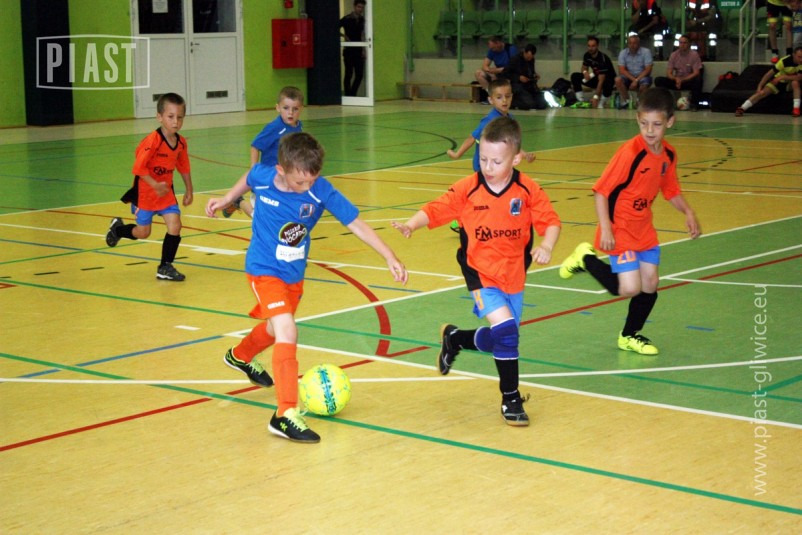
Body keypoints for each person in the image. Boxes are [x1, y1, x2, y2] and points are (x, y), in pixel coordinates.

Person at [206, 132, 408, 443]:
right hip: (263, 268)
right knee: (287, 330)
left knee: (274, 329)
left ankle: (240, 355)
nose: (307, 186)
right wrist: (226, 199)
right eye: (300, 181)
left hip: (293, 275)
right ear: (281, 170)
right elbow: (249, 176)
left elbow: (355, 223)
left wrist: (389, 255)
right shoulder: (265, 177)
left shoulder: (319, 190)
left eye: (312, 179)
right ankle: (284, 414)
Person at [392, 117, 561, 426]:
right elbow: (436, 208)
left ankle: (455, 338)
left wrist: (547, 245)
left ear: (516, 159)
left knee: (502, 339)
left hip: (514, 274)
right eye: (483, 159)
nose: (488, 167)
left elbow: (551, 221)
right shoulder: (468, 189)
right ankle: (511, 398)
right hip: (479, 272)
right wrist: (411, 225)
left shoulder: (527, 189)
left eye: (496, 161)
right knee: (507, 333)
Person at [558, 88, 701, 356]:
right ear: (637, 119)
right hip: (619, 227)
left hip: (643, 228)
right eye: (644, 123)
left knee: (650, 284)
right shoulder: (630, 153)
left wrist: (688, 212)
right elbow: (601, 191)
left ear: (670, 122)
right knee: (629, 288)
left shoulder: (668, 155)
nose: (649, 131)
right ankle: (585, 258)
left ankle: (629, 336)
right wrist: (607, 228)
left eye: (656, 124)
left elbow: (670, 190)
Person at [105, 93, 193, 282]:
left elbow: (184, 167)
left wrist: (189, 189)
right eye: (171, 117)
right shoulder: (152, 141)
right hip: (145, 194)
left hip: (165, 194)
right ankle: (118, 230)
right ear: (159, 117)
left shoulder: (181, 143)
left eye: (180, 117)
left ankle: (165, 266)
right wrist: (154, 185)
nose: (175, 122)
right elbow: (138, 168)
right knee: (143, 232)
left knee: (175, 225)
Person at [222, 86, 304, 219]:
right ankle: (239, 201)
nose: (290, 113)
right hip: (266, 177)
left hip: (284, 179)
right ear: (278, 108)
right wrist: (254, 169)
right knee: (259, 217)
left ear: (301, 109)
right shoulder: (274, 128)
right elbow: (255, 145)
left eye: (295, 109)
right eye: (286, 108)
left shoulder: (298, 126)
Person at [447, 78, 536, 172]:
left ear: (512, 97)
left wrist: (525, 155)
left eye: (507, 96)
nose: (504, 100)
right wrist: (457, 154)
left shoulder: (510, 119)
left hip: (500, 165)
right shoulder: (489, 121)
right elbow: (472, 138)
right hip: (484, 167)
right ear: (490, 100)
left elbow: (511, 144)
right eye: (499, 97)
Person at [735, 46, 802, 117]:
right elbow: (769, 74)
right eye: (799, 57)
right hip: (777, 82)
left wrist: (782, 77)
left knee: (795, 83)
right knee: (762, 92)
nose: (801, 59)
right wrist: (760, 86)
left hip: (790, 83)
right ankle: (742, 108)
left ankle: (796, 109)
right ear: (793, 55)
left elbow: (799, 77)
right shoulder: (784, 61)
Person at [655, 35, 704, 108]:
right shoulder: (674, 55)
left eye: (685, 43)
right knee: (658, 80)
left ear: (689, 44)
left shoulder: (694, 55)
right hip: (677, 80)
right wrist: (676, 79)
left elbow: (696, 72)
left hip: (688, 80)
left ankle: (694, 105)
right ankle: (665, 103)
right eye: (680, 43)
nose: (682, 45)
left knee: (698, 80)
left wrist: (683, 79)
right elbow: (669, 73)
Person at [570, 36, 615, 108]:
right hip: (596, 77)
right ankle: (580, 100)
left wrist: (596, 97)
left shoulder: (602, 59)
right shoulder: (587, 55)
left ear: (597, 46)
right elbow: (584, 67)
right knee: (575, 76)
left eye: (593, 46)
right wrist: (585, 73)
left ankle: (601, 102)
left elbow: (601, 80)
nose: (590, 48)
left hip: (607, 80)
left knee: (608, 82)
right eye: (589, 46)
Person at [615, 34, 654, 110]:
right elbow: (622, 70)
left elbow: (648, 69)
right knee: (618, 80)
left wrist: (636, 80)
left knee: (644, 84)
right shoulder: (623, 53)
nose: (632, 45)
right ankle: (627, 101)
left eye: (634, 43)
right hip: (628, 77)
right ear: (627, 44)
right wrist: (634, 80)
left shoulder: (646, 52)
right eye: (630, 43)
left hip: (642, 76)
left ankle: (638, 101)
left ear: (639, 44)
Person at [503, 44, 546, 110]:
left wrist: (534, 75)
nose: (529, 59)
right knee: (529, 104)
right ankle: (514, 101)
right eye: (528, 57)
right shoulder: (515, 59)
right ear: (524, 52)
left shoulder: (531, 60)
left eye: (531, 57)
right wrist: (518, 77)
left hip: (529, 85)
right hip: (518, 85)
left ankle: (528, 99)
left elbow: (531, 71)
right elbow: (505, 73)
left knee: (542, 104)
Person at [340, 0, 366, 96]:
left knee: (359, 74)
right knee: (349, 74)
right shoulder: (347, 19)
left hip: (358, 50)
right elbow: (334, 27)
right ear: (354, 7)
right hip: (349, 50)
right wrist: (343, 36)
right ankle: (348, 95)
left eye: (362, 7)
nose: (360, 9)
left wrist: (364, 49)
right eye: (359, 7)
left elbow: (362, 34)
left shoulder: (362, 19)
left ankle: (352, 94)